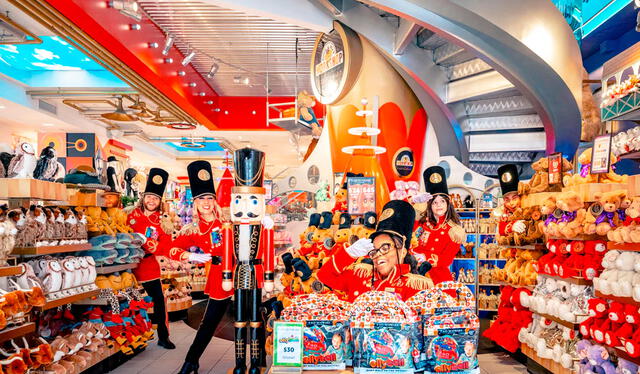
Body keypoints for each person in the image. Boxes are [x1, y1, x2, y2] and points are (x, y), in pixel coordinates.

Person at [126, 168, 211, 350]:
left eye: (155, 198)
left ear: (160, 201)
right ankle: (131, 336)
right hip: (126, 266)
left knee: (158, 301)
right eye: (149, 197)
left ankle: (163, 336)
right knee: (129, 302)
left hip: (148, 265)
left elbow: (165, 246)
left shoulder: (162, 221)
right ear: (143, 197)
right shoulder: (130, 215)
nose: (151, 201)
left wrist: (147, 243)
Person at [175, 161, 233, 374]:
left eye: (210, 198)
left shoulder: (228, 218)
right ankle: (191, 361)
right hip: (219, 275)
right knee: (209, 322)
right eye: (202, 199)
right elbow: (170, 247)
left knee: (249, 317)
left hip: (242, 272)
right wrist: (190, 255)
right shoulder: (193, 229)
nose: (206, 202)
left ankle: (256, 360)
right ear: (195, 203)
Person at [316, 200, 433, 302]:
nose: (378, 255)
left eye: (385, 248)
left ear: (402, 251)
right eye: (374, 250)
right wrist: (348, 254)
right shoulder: (360, 275)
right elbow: (324, 276)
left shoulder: (417, 286)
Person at [412, 166, 466, 285]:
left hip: (438, 278)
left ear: (448, 204)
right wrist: (413, 201)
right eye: (435, 202)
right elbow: (403, 217)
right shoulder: (421, 223)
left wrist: (426, 257)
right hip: (415, 276)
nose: (439, 205)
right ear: (430, 205)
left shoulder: (454, 230)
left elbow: (447, 259)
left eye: (442, 201)